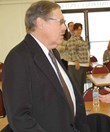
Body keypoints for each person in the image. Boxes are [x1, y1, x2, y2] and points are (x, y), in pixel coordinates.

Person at [2, 1, 90, 132]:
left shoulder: (53, 53)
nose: (64, 28)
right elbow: (19, 117)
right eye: (60, 22)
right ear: (40, 23)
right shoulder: (18, 58)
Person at [67, 23, 90, 94]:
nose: (79, 31)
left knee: (81, 86)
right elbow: (72, 51)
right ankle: (77, 103)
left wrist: (88, 60)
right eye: (77, 29)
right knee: (76, 86)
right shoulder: (72, 39)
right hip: (76, 65)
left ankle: (81, 102)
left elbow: (86, 51)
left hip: (83, 65)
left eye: (80, 29)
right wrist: (76, 61)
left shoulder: (82, 39)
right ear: (73, 30)